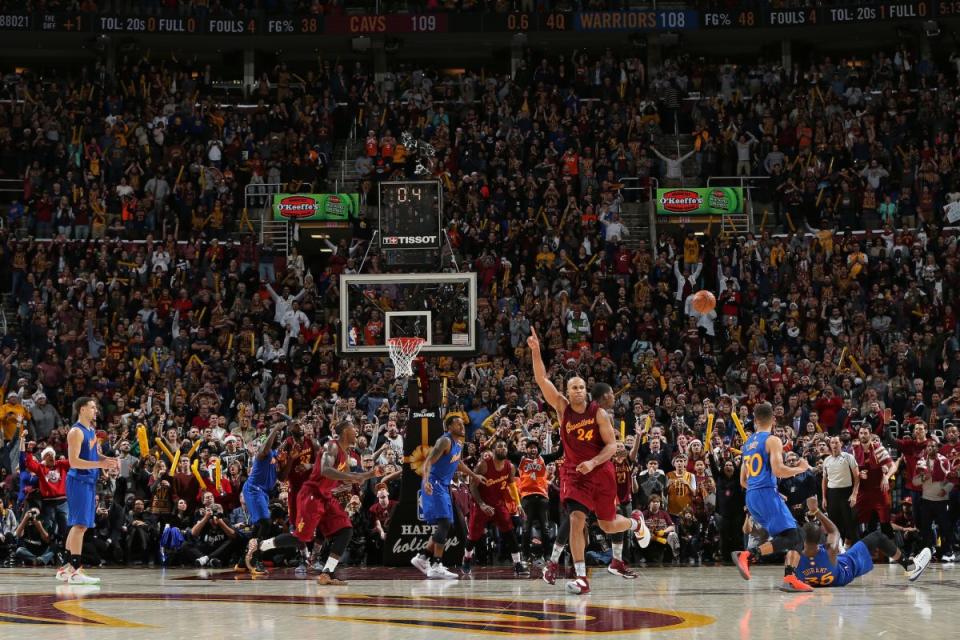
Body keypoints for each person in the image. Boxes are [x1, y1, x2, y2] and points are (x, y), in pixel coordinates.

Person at [528, 328, 649, 595]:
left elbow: (612, 447)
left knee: (608, 524)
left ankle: (636, 522)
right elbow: (541, 379)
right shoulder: (562, 408)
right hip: (574, 475)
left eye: (582, 387)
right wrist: (536, 350)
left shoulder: (599, 413)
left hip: (600, 473)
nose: (579, 390)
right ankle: (582, 577)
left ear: (586, 391)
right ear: (568, 392)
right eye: (574, 387)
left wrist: (593, 463)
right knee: (576, 519)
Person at [732, 402, 813, 592]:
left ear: (755, 419)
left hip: (752, 495)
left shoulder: (747, 445)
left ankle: (790, 577)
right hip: (766, 492)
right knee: (793, 536)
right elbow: (779, 470)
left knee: (796, 535)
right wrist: (800, 468)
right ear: (773, 419)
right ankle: (748, 555)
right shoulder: (772, 440)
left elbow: (743, 480)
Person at [292, 420, 380, 585]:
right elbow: (326, 470)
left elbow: (351, 479)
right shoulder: (331, 446)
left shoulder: (345, 455)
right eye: (354, 429)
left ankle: (327, 572)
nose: (357, 432)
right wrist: (351, 477)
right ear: (346, 431)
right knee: (301, 537)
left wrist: (371, 474)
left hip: (325, 498)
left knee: (346, 530)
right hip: (312, 494)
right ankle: (260, 547)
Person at [797, 495, 931, 587]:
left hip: (825, 578)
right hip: (842, 574)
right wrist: (816, 511)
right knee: (878, 537)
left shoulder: (795, 557)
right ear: (820, 538)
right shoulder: (830, 551)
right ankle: (910, 566)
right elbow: (834, 531)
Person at [412, 415, 482, 579]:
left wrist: (474, 475)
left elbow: (458, 463)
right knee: (444, 523)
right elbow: (428, 461)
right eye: (458, 424)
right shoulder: (445, 441)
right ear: (449, 427)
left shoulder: (459, 442)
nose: (462, 426)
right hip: (434, 483)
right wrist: (426, 480)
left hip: (443, 485)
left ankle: (422, 557)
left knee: (446, 525)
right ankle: (436, 564)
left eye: (462, 424)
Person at [59, 397, 120, 584]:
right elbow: (74, 461)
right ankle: (77, 570)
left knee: (78, 525)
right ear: (82, 409)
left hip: (88, 481)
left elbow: (94, 455)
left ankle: (67, 568)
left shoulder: (91, 431)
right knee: (80, 525)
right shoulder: (76, 432)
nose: (96, 410)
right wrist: (99, 463)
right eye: (92, 407)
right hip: (78, 481)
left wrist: (106, 460)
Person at [461, 439, 528, 577]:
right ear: (492, 451)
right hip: (481, 505)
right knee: (473, 536)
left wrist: (518, 504)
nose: (503, 448)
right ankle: (467, 559)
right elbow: (472, 486)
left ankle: (517, 564)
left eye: (504, 446)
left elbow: (511, 485)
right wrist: (482, 504)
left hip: (498, 504)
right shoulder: (483, 465)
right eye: (499, 446)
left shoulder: (510, 467)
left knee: (510, 532)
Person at [240, 423, 285, 574]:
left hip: (263, 492)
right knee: (265, 523)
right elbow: (266, 446)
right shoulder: (262, 453)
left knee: (260, 526)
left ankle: (242, 562)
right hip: (253, 489)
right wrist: (274, 428)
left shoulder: (275, 454)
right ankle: (256, 559)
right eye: (274, 436)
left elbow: (283, 475)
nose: (277, 436)